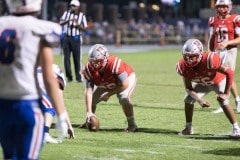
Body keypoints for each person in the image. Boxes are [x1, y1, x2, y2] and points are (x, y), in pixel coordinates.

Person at [0, 0, 68, 159]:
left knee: (10, 156)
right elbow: (49, 77)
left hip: (2, 105)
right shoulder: (42, 29)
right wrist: (61, 114)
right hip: (28, 105)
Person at [176, 38, 240, 137]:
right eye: (186, 57)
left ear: (200, 54)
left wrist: (226, 93)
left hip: (217, 81)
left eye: (192, 56)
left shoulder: (209, 59)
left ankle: (236, 128)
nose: (189, 60)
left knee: (223, 100)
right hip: (202, 83)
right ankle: (189, 128)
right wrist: (199, 100)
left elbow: (229, 72)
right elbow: (188, 88)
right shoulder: (183, 66)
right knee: (188, 99)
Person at [80, 44, 138, 132]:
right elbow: (88, 91)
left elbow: (124, 84)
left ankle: (132, 124)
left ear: (105, 58)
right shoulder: (88, 69)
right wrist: (89, 112)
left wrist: (109, 94)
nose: (96, 64)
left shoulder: (114, 64)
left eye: (99, 61)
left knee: (124, 98)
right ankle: (89, 120)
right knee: (92, 100)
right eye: (93, 61)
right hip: (108, 82)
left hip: (126, 79)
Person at [208, 0, 240, 113]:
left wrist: (227, 43)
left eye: (223, 6)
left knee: (227, 74)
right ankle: (226, 102)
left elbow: (239, 38)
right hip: (218, 51)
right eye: (219, 7)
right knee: (219, 77)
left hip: (230, 50)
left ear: (229, 7)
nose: (221, 9)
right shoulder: (213, 20)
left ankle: (235, 101)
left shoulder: (235, 19)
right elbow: (212, 38)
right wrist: (210, 51)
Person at [37, 64, 75, 144]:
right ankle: (45, 134)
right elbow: (60, 105)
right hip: (34, 90)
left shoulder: (39, 69)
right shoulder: (55, 78)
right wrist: (69, 126)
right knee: (51, 107)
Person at [60, 0, 88, 83]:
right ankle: (69, 77)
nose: (72, 7)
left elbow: (85, 29)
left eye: (74, 6)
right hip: (66, 37)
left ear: (78, 7)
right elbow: (60, 22)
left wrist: (77, 24)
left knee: (77, 58)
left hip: (76, 38)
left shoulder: (82, 16)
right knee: (66, 58)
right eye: (71, 5)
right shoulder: (66, 13)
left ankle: (78, 77)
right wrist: (68, 20)